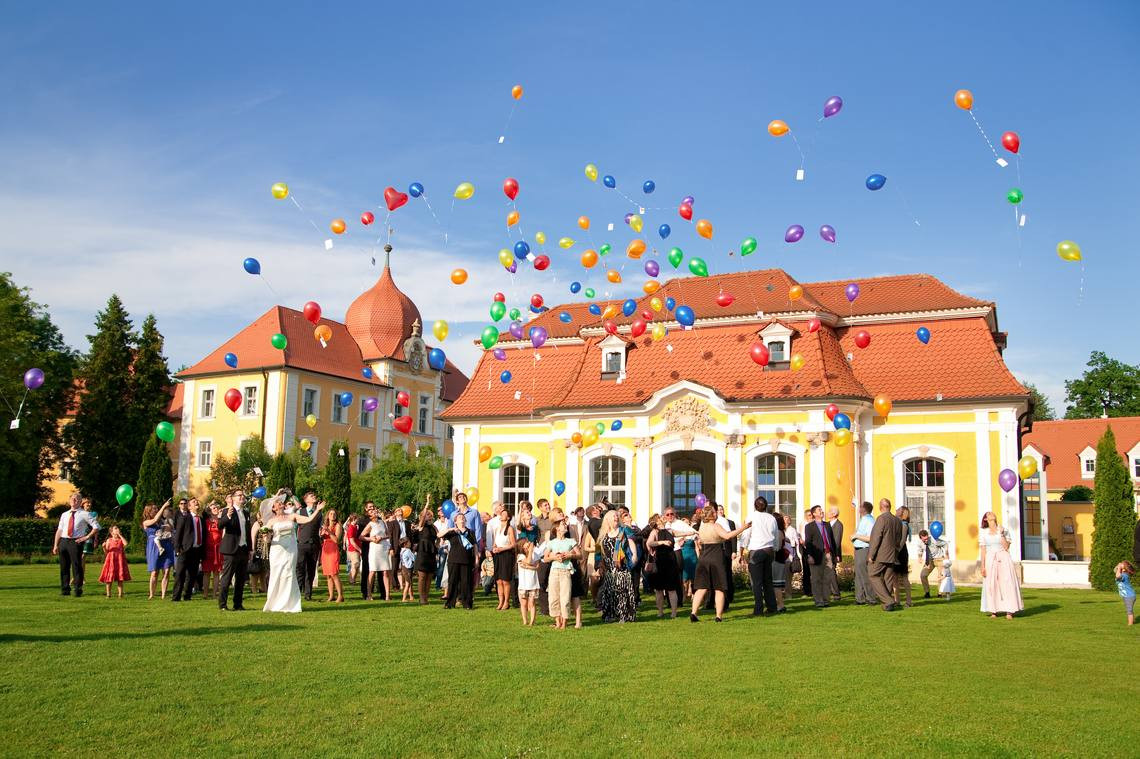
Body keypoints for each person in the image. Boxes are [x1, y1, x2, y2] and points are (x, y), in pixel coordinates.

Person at [262, 494, 324, 613]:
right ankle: (274, 603)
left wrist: (317, 510)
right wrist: (266, 535)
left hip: (291, 548)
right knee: (277, 574)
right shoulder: (271, 521)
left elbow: (309, 520)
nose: (281, 504)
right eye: (278, 503)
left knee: (289, 573)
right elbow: (267, 540)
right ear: (273, 508)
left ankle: (290, 603)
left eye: (281, 502)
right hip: (277, 550)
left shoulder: (292, 516)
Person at [689, 507, 749, 622]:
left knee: (701, 587)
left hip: (703, 556)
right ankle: (718, 616)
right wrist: (743, 528)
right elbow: (727, 536)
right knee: (719, 587)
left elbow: (700, 541)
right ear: (711, 515)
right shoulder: (715, 526)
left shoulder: (702, 526)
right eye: (715, 512)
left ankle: (694, 612)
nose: (717, 514)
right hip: (716, 555)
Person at [979, 511, 1023, 619]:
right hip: (990, 559)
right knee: (991, 584)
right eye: (988, 513)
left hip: (1003, 557)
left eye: (992, 513)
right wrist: (982, 566)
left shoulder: (1003, 529)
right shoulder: (984, 532)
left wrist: (1002, 534)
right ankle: (994, 610)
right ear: (985, 519)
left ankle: (1010, 611)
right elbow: (983, 550)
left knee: (1007, 583)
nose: (991, 514)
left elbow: (1006, 546)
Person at [596, 511, 638, 623]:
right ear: (608, 519)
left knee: (622, 591)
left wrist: (634, 556)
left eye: (616, 515)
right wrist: (598, 567)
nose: (616, 517)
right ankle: (610, 615)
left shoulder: (623, 530)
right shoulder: (603, 533)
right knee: (609, 592)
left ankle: (624, 615)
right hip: (609, 568)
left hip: (621, 567)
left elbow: (631, 543)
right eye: (613, 516)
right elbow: (599, 551)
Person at [52, 492, 97, 597]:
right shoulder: (64, 514)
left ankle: (78, 589)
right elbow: (59, 530)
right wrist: (55, 545)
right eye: (72, 498)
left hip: (76, 541)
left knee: (76, 566)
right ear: (69, 500)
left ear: (80, 502)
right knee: (64, 566)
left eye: (77, 499)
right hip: (64, 541)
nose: (74, 500)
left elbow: (96, 527)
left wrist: (86, 537)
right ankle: (65, 589)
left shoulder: (85, 514)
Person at [742, 496, 781, 616]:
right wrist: (775, 548)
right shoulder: (771, 518)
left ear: (755, 506)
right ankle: (772, 607)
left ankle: (758, 609)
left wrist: (742, 549)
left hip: (757, 550)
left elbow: (746, 534)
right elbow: (775, 535)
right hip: (769, 550)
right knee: (768, 580)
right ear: (766, 506)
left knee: (757, 582)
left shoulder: (751, 516)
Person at [217, 489, 253, 611]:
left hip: (243, 549)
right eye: (239, 495)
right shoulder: (227, 511)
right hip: (231, 549)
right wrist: (227, 516)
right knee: (226, 578)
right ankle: (222, 604)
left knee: (241, 579)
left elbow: (247, 532)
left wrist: (250, 549)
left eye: (243, 495)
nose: (242, 497)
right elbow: (220, 525)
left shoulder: (246, 513)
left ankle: (238, 604)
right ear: (232, 498)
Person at [867, 499, 904, 611]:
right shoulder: (897, 521)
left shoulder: (881, 519)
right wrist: (896, 551)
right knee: (888, 579)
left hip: (881, 554)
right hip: (892, 554)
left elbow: (876, 537)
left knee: (873, 574)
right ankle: (888, 604)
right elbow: (899, 539)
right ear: (890, 506)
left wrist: (871, 554)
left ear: (881, 507)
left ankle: (888, 601)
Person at [543, 518, 579, 630]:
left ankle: (564, 622)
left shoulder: (571, 541)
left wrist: (569, 555)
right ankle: (557, 621)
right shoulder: (551, 543)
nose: (565, 526)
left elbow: (579, 555)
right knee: (553, 597)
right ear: (557, 528)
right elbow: (545, 558)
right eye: (563, 524)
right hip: (554, 572)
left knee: (565, 597)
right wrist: (555, 557)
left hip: (565, 572)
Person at [802, 506, 839, 609]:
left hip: (828, 554)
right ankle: (818, 600)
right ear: (814, 514)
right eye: (819, 510)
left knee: (827, 578)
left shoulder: (827, 525)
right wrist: (809, 555)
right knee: (816, 579)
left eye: (821, 509)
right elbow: (808, 543)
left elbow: (832, 541)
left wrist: (835, 555)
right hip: (816, 555)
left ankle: (826, 600)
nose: (822, 511)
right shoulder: (809, 527)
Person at [646, 514, 681, 618]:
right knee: (659, 589)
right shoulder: (655, 532)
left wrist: (693, 532)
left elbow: (681, 533)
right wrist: (662, 542)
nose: (663, 517)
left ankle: (674, 612)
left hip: (671, 561)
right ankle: (660, 612)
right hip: (660, 561)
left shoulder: (670, 530)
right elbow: (649, 543)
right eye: (661, 517)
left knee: (671, 589)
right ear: (657, 521)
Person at [171, 498, 206, 602]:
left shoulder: (201, 519)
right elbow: (178, 534)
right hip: (185, 550)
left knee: (192, 574)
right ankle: (176, 596)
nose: (196, 503)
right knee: (180, 574)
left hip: (196, 550)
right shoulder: (185, 518)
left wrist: (202, 551)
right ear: (189, 506)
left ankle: (187, 595)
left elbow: (204, 536)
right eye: (194, 502)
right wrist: (177, 548)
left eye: (197, 502)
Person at [440, 513, 477, 609]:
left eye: (463, 518)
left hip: (467, 560)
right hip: (453, 560)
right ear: (455, 521)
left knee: (466, 582)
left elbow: (475, 545)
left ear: (465, 521)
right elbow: (439, 534)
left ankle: (467, 603)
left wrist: (476, 558)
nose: (462, 519)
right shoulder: (452, 532)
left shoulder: (470, 532)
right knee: (452, 581)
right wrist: (450, 529)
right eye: (459, 518)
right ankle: (450, 603)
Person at [142, 499, 176, 599]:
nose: (156, 510)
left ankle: (163, 594)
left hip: (165, 544)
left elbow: (167, 527)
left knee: (166, 571)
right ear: (148, 511)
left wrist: (169, 528)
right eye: (154, 509)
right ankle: (152, 594)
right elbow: (155, 520)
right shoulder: (146, 522)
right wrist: (163, 506)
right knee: (154, 571)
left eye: (157, 509)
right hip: (154, 546)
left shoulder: (161, 521)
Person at [294, 490, 323, 601]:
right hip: (302, 544)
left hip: (314, 544)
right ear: (306, 500)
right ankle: (297, 591)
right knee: (300, 568)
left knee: (311, 570)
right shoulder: (300, 511)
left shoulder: (319, 512)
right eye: (311, 496)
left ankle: (308, 594)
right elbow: (295, 527)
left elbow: (320, 526)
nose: (314, 496)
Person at [360, 507, 391, 601]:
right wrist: (371, 539)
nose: (374, 512)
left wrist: (382, 538)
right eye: (371, 512)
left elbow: (389, 535)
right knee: (372, 571)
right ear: (370, 516)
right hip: (374, 549)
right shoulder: (370, 524)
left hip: (383, 548)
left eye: (375, 511)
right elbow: (361, 536)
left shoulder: (383, 522)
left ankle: (387, 595)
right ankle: (369, 594)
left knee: (385, 572)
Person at [411, 499, 438, 604]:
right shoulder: (421, 525)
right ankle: (422, 598)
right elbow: (422, 518)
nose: (429, 516)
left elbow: (439, 536)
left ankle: (426, 597)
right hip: (422, 551)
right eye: (427, 514)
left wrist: (437, 545)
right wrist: (427, 503)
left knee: (429, 576)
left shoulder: (433, 527)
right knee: (422, 576)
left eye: (430, 515)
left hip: (431, 551)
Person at [490, 506, 517, 611]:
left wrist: (502, 549)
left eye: (504, 514)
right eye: (501, 514)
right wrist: (494, 548)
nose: (502, 515)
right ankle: (500, 601)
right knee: (498, 580)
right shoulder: (497, 528)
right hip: (498, 555)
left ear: (509, 517)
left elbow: (513, 544)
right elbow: (495, 542)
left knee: (505, 580)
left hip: (506, 555)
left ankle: (506, 601)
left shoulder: (510, 528)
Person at [851, 502, 875, 605]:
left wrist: (856, 536)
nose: (858, 508)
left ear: (863, 509)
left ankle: (870, 598)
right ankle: (859, 598)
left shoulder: (869, 520)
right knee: (858, 575)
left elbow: (871, 538)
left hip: (864, 549)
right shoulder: (864, 519)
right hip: (858, 549)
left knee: (864, 575)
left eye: (860, 507)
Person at [98, 525, 131, 597]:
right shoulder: (109, 540)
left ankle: (120, 594)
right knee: (109, 577)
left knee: (120, 578)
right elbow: (106, 552)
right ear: (111, 532)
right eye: (115, 528)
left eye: (118, 528)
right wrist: (103, 547)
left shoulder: (120, 540)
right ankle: (108, 594)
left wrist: (120, 535)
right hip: (111, 560)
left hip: (119, 560)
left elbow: (126, 543)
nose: (118, 529)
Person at [200, 502, 223, 600]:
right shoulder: (205, 522)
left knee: (217, 572)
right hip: (208, 549)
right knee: (206, 572)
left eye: (217, 507)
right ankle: (205, 593)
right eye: (213, 508)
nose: (215, 509)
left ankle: (214, 593)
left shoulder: (221, 521)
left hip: (218, 549)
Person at [916, 528, 948, 599]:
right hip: (929, 560)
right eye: (924, 539)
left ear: (928, 536)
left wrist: (946, 553)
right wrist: (920, 557)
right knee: (923, 575)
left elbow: (945, 544)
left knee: (940, 576)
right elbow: (920, 550)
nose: (926, 540)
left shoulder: (934, 540)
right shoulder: (920, 543)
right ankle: (927, 592)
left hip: (939, 559)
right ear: (921, 538)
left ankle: (940, 593)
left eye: (927, 538)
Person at [320, 510, 344, 603]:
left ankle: (340, 596)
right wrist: (321, 534)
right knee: (328, 575)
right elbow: (322, 538)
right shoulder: (326, 525)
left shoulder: (338, 525)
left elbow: (336, 540)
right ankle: (331, 596)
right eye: (331, 514)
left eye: (334, 514)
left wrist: (328, 531)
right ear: (328, 516)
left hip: (333, 549)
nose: (333, 515)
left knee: (334, 573)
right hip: (325, 549)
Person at [516, 538, 540, 626]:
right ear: (522, 546)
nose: (529, 543)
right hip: (523, 584)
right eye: (526, 542)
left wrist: (527, 566)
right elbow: (529, 561)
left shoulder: (535, 554)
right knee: (523, 603)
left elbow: (537, 566)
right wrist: (530, 563)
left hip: (533, 583)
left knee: (532, 603)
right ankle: (525, 620)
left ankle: (532, 621)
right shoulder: (520, 556)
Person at [894, 505, 914, 608]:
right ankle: (897, 600)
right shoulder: (897, 523)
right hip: (896, 551)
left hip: (901, 553)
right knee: (895, 577)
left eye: (898, 510)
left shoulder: (904, 525)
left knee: (904, 577)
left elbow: (902, 541)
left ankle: (909, 601)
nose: (896, 510)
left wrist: (896, 552)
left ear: (902, 513)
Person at [771, 512, 791, 613]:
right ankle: (777, 604)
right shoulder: (779, 531)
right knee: (776, 584)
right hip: (778, 560)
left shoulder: (778, 532)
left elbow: (777, 547)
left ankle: (780, 605)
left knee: (776, 585)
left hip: (777, 560)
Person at [248, 513, 271, 595]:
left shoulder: (268, 523)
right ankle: (254, 589)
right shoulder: (257, 524)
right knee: (256, 571)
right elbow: (253, 537)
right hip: (258, 549)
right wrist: (253, 550)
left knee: (263, 571)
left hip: (267, 550)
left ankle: (263, 588)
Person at [826, 506, 844, 601]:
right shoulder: (828, 524)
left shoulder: (838, 525)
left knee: (831, 572)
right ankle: (830, 592)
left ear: (834, 514)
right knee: (828, 572)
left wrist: (836, 554)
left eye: (829, 512)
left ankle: (836, 594)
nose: (827, 513)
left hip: (832, 552)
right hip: (826, 552)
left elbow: (837, 541)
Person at [358, 503, 376, 598]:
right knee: (366, 570)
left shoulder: (379, 519)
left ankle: (377, 591)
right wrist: (371, 539)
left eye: (373, 507)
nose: (372, 508)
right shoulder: (362, 521)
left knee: (376, 570)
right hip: (367, 547)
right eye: (369, 507)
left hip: (377, 548)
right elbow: (359, 536)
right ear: (366, 509)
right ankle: (365, 591)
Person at [1115, 561, 1136, 626]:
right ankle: (1133, 620)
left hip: (1129, 596)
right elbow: (1115, 571)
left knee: (1129, 611)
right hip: (1127, 596)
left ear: (1124, 569)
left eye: (1122, 564)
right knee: (1129, 609)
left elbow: (1118, 576)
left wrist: (1119, 568)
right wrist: (1119, 567)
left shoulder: (1125, 575)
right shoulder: (1122, 574)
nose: (1120, 564)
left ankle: (1130, 624)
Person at [344, 513, 361, 586]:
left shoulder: (354, 527)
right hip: (353, 549)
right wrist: (359, 549)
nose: (358, 520)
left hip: (356, 549)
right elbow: (352, 541)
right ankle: (351, 580)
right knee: (355, 564)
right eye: (357, 518)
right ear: (354, 519)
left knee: (356, 565)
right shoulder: (351, 528)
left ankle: (353, 579)